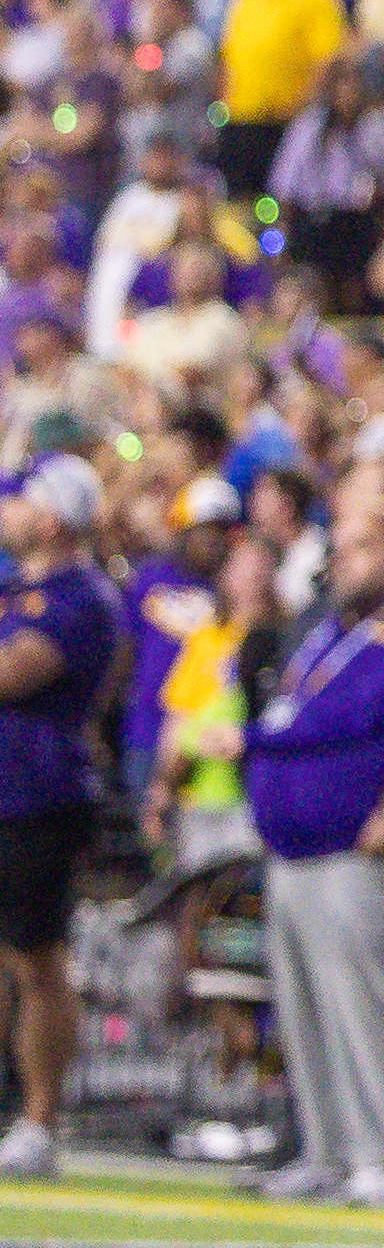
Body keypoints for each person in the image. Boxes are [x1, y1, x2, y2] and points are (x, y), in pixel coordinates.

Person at [240, 499, 384, 1201]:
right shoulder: (326, 631)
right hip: (293, 846)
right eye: (340, 548)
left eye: (361, 547)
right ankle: (323, 1152)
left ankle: (376, 1157)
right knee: (305, 1008)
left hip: (360, 847)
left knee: (366, 1005)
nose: (341, 562)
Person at [0, 459, 123, 1178]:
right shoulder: (17, 587)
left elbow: (10, 673)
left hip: (36, 797)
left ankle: (41, 1118)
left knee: (36, 958)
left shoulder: (82, 597)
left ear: (50, 518)